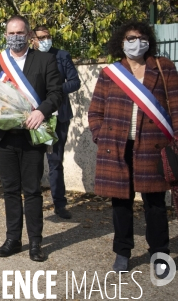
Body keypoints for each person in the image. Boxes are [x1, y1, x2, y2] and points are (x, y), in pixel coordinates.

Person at [88, 21, 177, 272]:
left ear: (149, 40)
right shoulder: (110, 73)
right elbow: (95, 111)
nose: (136, 42)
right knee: (121, 203)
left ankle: (159, 252)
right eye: (130, 38)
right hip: (117, 147)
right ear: (121, 42)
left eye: (140, 37)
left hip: (153, 146)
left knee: (155, 204)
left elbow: (176, 108)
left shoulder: (163, 68)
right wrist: (100, 136)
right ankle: (122, 252)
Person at [0, 16, 62, 262]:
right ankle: (13, 239)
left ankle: (36, 243)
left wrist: (42, 111)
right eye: (11, 33)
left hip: (32, 136)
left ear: (28, 34)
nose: (15, 37)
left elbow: (56, 92)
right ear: (5, 35)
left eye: (20, 32)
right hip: (4, 136)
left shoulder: (45, 59)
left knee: (31, 190)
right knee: (9, 189)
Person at [31, 26, 81, 219]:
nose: (45, 40)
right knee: (33, 161)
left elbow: (75, 82)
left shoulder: (61, 55)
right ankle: (32, 200)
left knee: (55, 161)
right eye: (41, 37)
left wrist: (55, 89)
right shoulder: (29, 59)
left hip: (58, 118)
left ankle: (59, 204)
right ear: (32, 40)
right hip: (35, 118)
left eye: (48, 37)